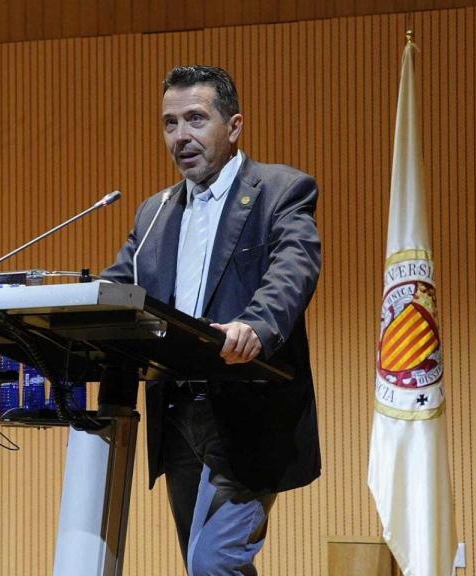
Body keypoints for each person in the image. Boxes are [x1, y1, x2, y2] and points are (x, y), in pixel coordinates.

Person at [102, 65, 322, 575]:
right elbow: (114, 293)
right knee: (204, 565)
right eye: (170, 123)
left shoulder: (279, 190)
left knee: (214, 563)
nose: (181, 136)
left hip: (246, 412)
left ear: (235, 126)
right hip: (178, 416)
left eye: (196, 119)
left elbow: (294, 268)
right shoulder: (153, 213)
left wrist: (257, 326)